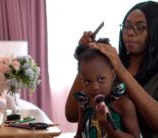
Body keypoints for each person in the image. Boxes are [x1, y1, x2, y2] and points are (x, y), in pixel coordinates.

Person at [65, 1, 158, 137]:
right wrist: (85, 59)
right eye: (127, 26)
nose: (130, 32)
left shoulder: (119, 68)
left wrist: (121, 70)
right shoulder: (108, 65)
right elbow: (71, 114)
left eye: (140, 27)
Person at [73, 39, 140, 138]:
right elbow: (79, 135)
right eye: (88, 82)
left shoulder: (124, 105)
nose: (95, 87)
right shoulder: (84, 103)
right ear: (82, 81)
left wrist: (107, 126)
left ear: (112, 75)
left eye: (101, 79)